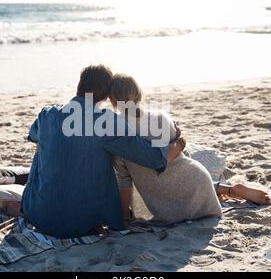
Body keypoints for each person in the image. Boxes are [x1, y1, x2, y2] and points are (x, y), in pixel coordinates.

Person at [21, 65, 186, 239]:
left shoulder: (47, 114)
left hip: (37, 214)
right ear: (105, 94)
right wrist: (179, 142)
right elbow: (155, 159)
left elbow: (32, 136)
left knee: (44, 144)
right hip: (79, 222)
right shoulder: (106, 121)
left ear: (80, 85)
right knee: (113, 155)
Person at [109, 74, 271, 224]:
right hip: (199, 190)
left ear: (112, 101)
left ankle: (227, 189)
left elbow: (124, 181)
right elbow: (180, 155)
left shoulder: (116, 133)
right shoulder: (161, 117)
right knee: (183, 166)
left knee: (149, 178)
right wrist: (180, 141)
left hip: (164, 210)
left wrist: (124, 217)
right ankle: (227, 189)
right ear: (139, 93)